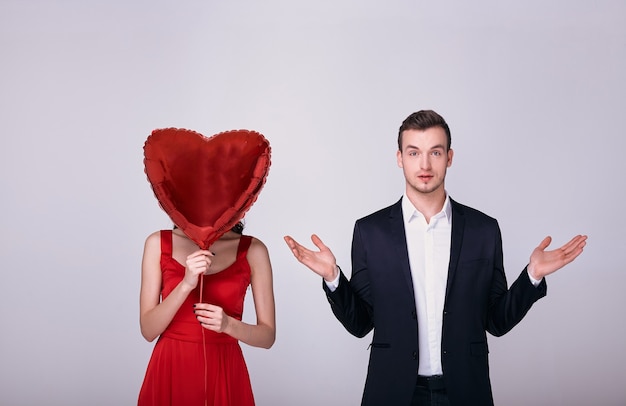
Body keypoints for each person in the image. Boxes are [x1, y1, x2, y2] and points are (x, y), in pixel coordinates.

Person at [284, 109, 587, 406]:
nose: (425, 164)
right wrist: (333, 279)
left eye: (436, 153)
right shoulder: (369, 232)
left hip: (465, 391)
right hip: (392, 391)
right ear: (400, 158)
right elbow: (361, 324)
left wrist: (532, 276)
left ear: (449, 158)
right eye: (414, 153)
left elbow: (496, 321)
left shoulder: (484, 230)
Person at [138, 222, 276, 406]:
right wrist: (186, 284)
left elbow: (267, 337)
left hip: (223, 368)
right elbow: (148, 330)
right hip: (170, 366)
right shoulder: (158, 243)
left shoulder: (253, 249)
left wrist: (229, 325)